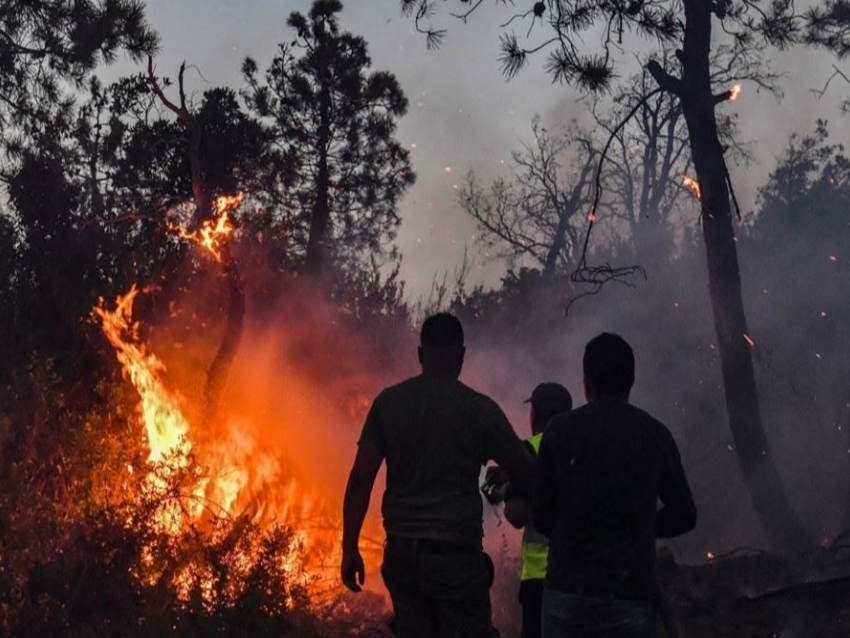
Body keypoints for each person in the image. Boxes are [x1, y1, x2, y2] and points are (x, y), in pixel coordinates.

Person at [341, 313, 534, 638]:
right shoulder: (479, 409)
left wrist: (349, 548)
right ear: (461, 356)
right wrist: (508, 483)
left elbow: (361, 479)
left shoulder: (388, 404)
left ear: (420, 355)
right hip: (457, 561)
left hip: (404, 559)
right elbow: (526, 470)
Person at [534, 333, 697, 638]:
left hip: (568, 592)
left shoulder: (559, 432)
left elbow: (541, 514)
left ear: (586, 382)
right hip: (628, 594)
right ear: (630, 380)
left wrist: (578, 526)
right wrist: (638, 525)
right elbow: (685, 513)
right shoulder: (653, 434)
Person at [504, 383, 573, 638]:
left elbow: (516, 513)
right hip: (580, 577)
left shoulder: (530, 449)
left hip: (540, 580)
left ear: (535, 414)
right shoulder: (584, 448)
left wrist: (507, 493)